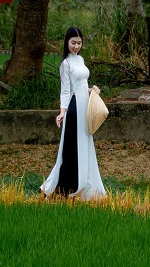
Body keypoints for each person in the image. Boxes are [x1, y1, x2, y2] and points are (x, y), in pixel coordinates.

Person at [40, 26, 107, 200]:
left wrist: (92, 89)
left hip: (86, 107)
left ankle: (85, 184)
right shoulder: (66, 64)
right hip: (74, 108)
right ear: (67, 43)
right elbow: (65, 91)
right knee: (71, 149)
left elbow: (82, 84)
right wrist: (62, 113)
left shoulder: (81, 59)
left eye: (79, 43)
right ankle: (64, 187)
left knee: (85, 145)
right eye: (73, 43)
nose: (76, 46)